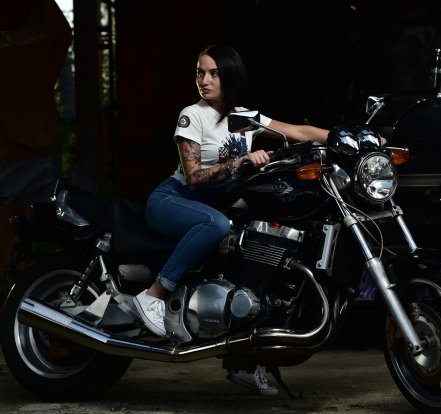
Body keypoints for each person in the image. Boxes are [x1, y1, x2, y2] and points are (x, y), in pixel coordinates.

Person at [133, 44, 329, 394]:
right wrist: (240, 163)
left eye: (213, 73)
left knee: (253, 248)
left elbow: (299, 132)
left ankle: (243, 361)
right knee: (217, 225)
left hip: (215, 202)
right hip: (174, 199)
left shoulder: (244, 118)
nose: (204, 80)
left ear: (230, 76)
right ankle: (153, 295)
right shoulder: (192, 115)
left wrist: (350, 140)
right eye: (200, 73)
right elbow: (194, 177)